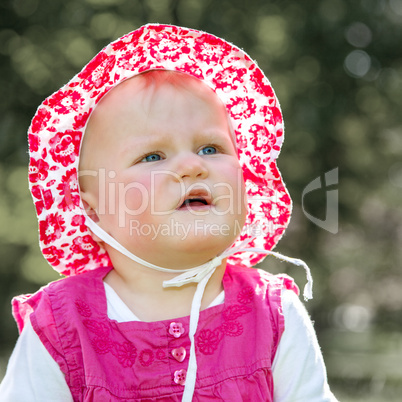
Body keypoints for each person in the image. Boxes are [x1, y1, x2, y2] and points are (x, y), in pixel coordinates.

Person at [0, 24, 338, 401]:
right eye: (153, 156)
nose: (192, 166)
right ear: (92, 209)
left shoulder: (273, 317)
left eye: (211, 148)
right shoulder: (62, 328)